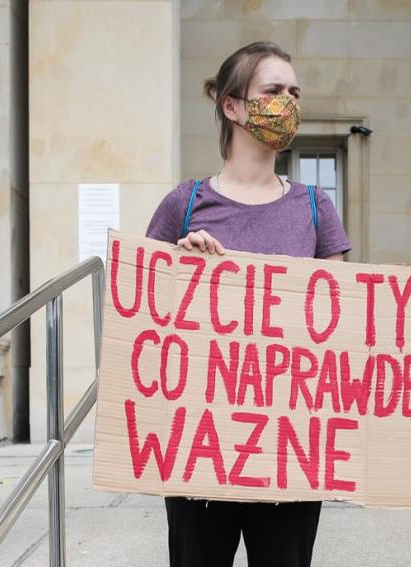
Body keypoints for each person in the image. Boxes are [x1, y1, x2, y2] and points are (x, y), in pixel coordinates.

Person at [145, 41, 352, 567]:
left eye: (294, 92)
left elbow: (342, 322)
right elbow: (142, 316)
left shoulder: (315, 207)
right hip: (199, 448)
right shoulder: (185, 203)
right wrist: (178, 262)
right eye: (273, 91)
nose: (287, 103)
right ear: (232, 106)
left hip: (289, 452)